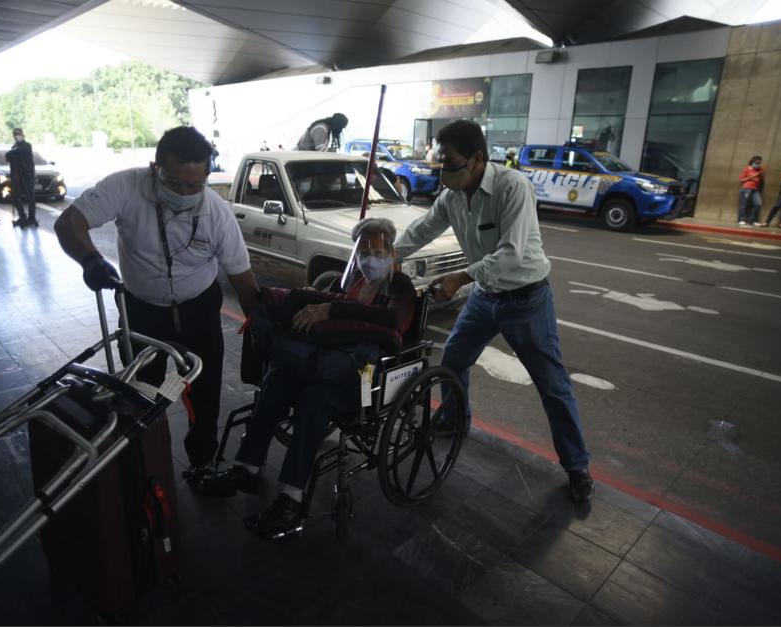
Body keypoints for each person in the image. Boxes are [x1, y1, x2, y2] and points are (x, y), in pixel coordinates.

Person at [394, 119, 594, 503]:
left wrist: (460, 277)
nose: (443, 168)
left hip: (527, 300)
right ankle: (455, 419)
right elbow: (423, 228)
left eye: (450, 160)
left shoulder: (511, 187)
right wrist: (390, 256)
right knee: (453, 358)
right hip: (486, 297)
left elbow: (512, 252)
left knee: (551, 385)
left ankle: (576, 466)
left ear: (477, 159)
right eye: (441, 159)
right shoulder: (452, 196)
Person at [54, 126, 260, 473]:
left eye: (194, 185)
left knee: (204, 391)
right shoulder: (125, 186)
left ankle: (202, 461)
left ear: (207, 177)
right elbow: (69, 223)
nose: (183, 192)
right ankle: (147, 466)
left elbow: (243, 280)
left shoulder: (217, 214)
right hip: (141, 309)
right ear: (155, 169)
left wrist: (262, 329)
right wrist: (91, 260)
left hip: (198, 308)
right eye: (174, 183)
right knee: (138, 393)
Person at [199, 218, 416, 541]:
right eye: (365, 250)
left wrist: (334, 309)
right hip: (326, 364)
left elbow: (394, 319)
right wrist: (321, 302)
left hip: (366, 379)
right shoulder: (351, 281)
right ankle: (248, 468)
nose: (371, 257)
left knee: (316, 399)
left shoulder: (399, 286)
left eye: (379, 250)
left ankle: (293, 495)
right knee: (279, 378)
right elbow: (319, 305)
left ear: (392, 252)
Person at [6, 127, 38, 228]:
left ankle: (32, 217)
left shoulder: (27, 145)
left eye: (19, 133)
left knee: (30, 197)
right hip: (16, 176)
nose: (17, 135)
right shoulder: (14, 147)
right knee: (15, 197)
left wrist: (10, 154)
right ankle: (22, 216)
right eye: (15, 134)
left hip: (27, 176)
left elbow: (12, 154)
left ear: (23, 134)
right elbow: (10, 158)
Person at [737, 156, 765, 227]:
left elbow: (761, 179)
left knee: (758, 204)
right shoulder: (747, 169)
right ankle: (741, 220)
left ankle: (752, 220)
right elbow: (741, 180)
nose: (758, 164)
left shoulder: (760, 169)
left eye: (759, 163)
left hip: (755, 189)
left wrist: (761, 175)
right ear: (752, 161)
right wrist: (752, 177)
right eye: (756, 162)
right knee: (743, 204)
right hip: (746, 188)